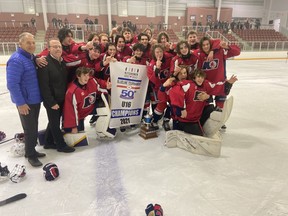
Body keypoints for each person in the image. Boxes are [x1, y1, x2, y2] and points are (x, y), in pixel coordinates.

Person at [6, 32, 45, 167]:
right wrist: (20, 103)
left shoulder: (29, 57)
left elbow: (33, 60)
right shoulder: (16, 60)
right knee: (29, 129)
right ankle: (31, 155)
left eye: (33, 42)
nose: (31, 45)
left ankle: (31, 150)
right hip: (25, 102)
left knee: (33, 127)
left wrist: (36, 58)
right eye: (28, 43)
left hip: (34, 99)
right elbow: (12, 84)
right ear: (20, 44)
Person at [37, 38, 75, 153]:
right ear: (49, 49)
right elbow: (44, 86)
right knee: (55, 123)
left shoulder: (62, 62)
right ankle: (60, 145)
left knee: (53, 121)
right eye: (54, 47)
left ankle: (48, 142)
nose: (58, 49)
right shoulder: (45, 63)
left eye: (59, 46)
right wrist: (51, 102)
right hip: (52, 100)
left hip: (61, 97)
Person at [63, 67, 116, 138]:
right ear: (78, 76)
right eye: (84, 75)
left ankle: (103, 130)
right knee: (76, 135)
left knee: (105, 110)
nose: (87, 77)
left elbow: (100, 84)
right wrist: (73, 126)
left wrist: (106, 85)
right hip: (79, 115)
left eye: (88, 75)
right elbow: (70, 111)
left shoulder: (91, 81)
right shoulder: (72, 92)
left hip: (91, 108)